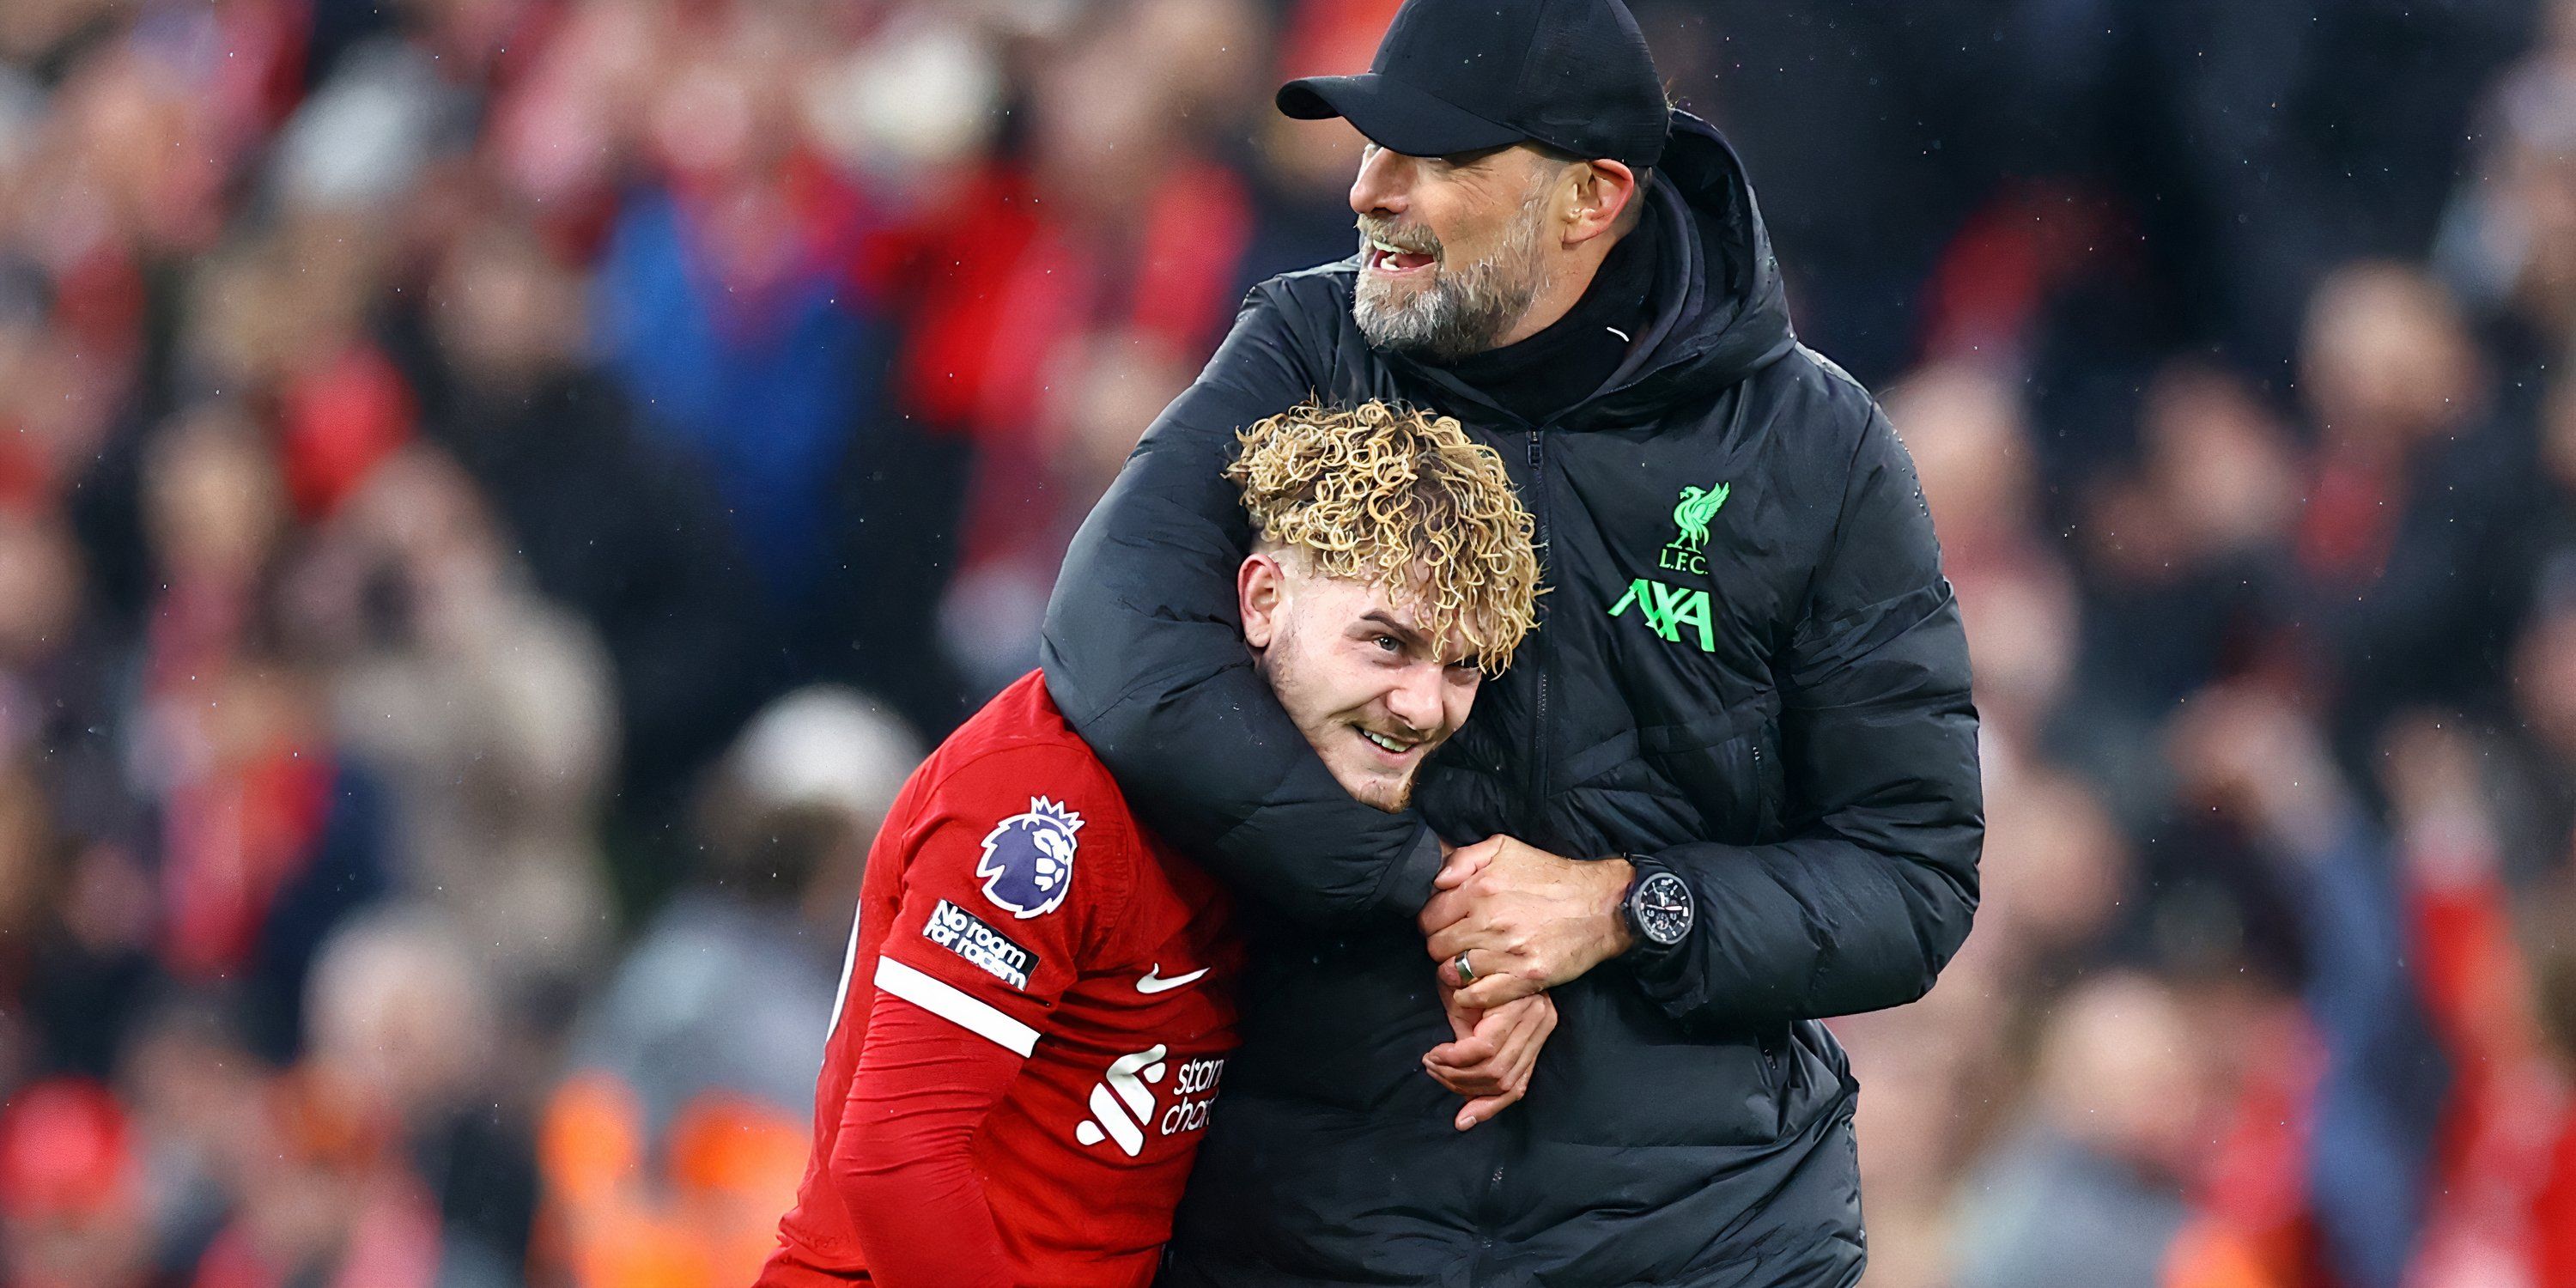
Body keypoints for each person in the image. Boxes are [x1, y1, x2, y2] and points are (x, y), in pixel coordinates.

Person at [1040, 1, 1984, 1284]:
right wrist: (1427, 888)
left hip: (1701, 1237)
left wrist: (1629, 907)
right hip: (1311, 1219)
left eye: (1433, 159)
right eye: (1374, 147)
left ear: (1591, 197)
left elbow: (1913, 875)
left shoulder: (1820, 452)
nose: (1369, 192)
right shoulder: (1304, 345)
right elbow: (1122, 646)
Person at [758, 399, 1549, 1288]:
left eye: (1461, 667)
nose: (1422, 705)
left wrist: (1493, 968)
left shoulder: (1317, 800)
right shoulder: (1043, 800)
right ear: (1262, 599)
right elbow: (898, 1162)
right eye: (1386, 643)